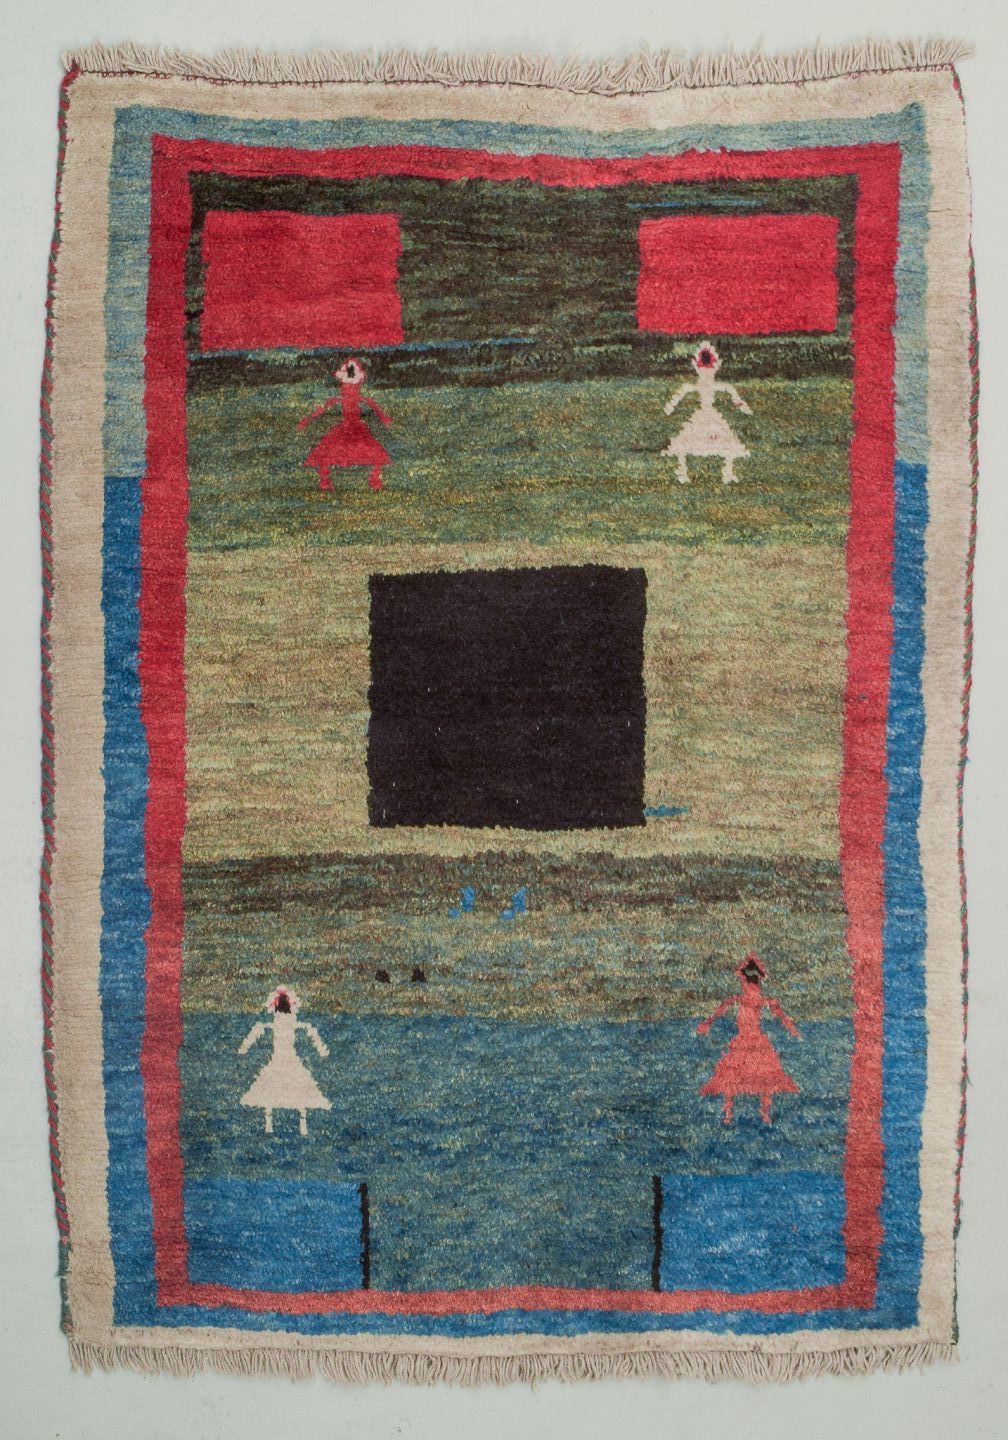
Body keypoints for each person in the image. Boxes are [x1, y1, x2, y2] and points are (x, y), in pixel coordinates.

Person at [696, 952, 800, 1125]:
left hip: (751, 1039)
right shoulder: (751, 999)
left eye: (745, 981)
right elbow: (779, 1013)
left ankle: (735, 1115)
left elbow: (724, 1007)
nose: (746, 985)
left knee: (746, 1077)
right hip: (748, 1039)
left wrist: (707, 1022)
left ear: (746, 981)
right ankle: (754, 1115)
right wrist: (791, 1028)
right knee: (754, 1077)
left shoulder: (748, 999)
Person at [238, 986, 331, 1136]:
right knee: (299, 1092)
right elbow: (309, 1029)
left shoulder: (275, 1024)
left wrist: (244, 1047)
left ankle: (269, 1124)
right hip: (288, 1061)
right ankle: (301, 1125)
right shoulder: (291, 1024)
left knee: (270, 1092)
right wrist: (321, 1049)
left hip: (280, 1061)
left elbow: (259, 1029)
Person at [662, 341, 752, 485]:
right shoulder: (698, 385)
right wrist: (670, 406)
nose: (706, 373)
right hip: (704, 416)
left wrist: (671, 406)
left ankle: (727, 473)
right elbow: (686, 390)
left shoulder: (708, 384)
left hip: (710, 416)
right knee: (685, 442)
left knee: (726, 442)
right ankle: (682, 472)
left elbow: (729, 391)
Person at [298, 357, 392, 492]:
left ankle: (374, 479)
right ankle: (325, 481)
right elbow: (322, 409)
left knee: (373, 452)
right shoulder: (341, 399)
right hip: (347, 428)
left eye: (350, 387)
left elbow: (373, 405)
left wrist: (384, 418)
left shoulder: (354, 398)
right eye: (346, 387)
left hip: (356, 428)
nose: (347, 390)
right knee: (328, 452)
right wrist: (306, 420)